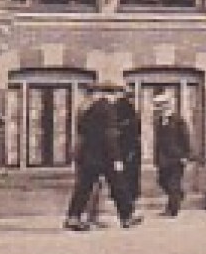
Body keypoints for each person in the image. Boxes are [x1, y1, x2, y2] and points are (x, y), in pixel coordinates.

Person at [63, 82, 141, 231]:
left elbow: (83, 130)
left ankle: (73, 217)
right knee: (118, 184)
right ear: (112, 93)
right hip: (104, 156)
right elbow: (109, 135)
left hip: (89, 154)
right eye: (118, 94)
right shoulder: (108, 109)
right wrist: (116, 157)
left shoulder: (90, 109)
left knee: (84, 187)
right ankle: (127, 216)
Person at [152, 91, 194, 218]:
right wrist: (156, 158)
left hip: (177, 157)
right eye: (157, 105)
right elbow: (158, 141)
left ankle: (172, 210)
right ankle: (178, 195)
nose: (159, 108)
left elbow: (185, 138)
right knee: (162, 181)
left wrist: (186, 155)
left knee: (173, 183)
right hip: (163, 158)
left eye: (161, 105)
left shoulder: (178, 120)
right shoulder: (159, 121)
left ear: (168, 105)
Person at [114, 87, 143, 205]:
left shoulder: (124, 108)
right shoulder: (125, 108)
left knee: (127, 173)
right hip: (127, 146)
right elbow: (133, 129)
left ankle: (128, 197)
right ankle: (128, 198)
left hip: (128, 146)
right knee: (128, 173)